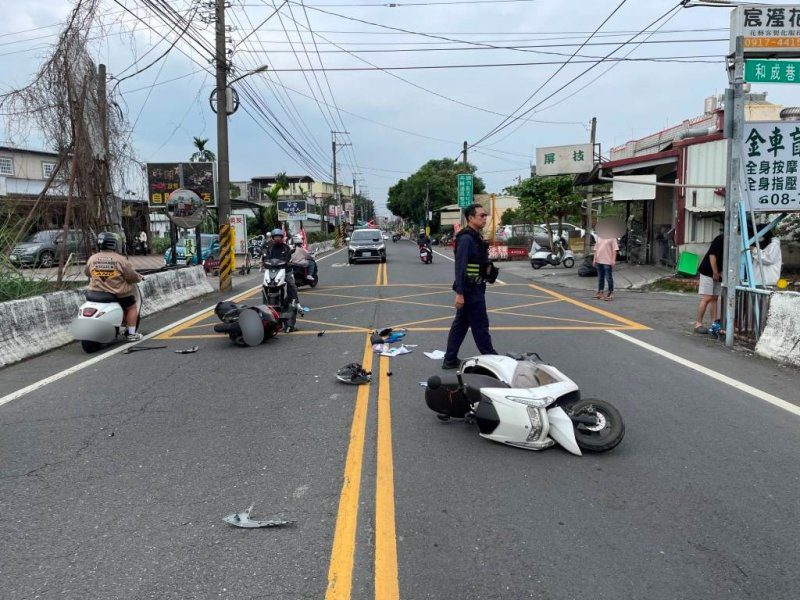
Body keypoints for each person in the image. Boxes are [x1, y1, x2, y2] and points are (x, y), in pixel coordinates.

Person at [443, 203, 498, 370]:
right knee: (480, 324)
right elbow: (460, 266)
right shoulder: (466, 239)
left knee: (460, 325)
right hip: (470, 290)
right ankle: (491, 359)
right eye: (481, 215)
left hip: (476, 287)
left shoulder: (475, 237)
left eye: (485, 215)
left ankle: (450, 359)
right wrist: (460, 293)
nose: (484, 218)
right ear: (470, 218)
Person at [84, 232, 144, 342]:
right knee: (131, 307)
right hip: (117, 293)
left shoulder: (92, 258)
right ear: (113, 244)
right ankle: (131, 334)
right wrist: (139, 278)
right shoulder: (120, 259)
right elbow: (131, 276)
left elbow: (87, 273)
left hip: (95, 292)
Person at [694, 231, 724, 334]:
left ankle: (714, 324)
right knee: (707, 297)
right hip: (708, 271)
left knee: (715, 298)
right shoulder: (720, 239)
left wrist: (720, 273)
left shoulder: (733, 242)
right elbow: (712, 256)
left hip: (718, 272)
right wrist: (715, 272)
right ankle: (698, 324)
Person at [263, 228, 298, 304]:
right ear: (272, 238)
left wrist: (288, 262)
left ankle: (296, 303)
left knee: (291, 285)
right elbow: (267, 258)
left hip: (285, 269)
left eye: (279, 237)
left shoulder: (286, 247)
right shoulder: (270, 247)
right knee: (265, 284)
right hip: (272, 270)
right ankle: (265, 302)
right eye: (276, 237)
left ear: (282, 237)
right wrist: (264, 262)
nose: (277, 238)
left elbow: (288, 257)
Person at [593, 234, 619, 301]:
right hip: (599, 261)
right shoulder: (599, 237)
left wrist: (613, 260)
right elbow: (596, 249)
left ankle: (610, 293)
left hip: (607, 262)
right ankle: (600, 292)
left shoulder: (612, 238)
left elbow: (614, 250)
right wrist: (594, 259)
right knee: (600, 278)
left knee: (608, 278)